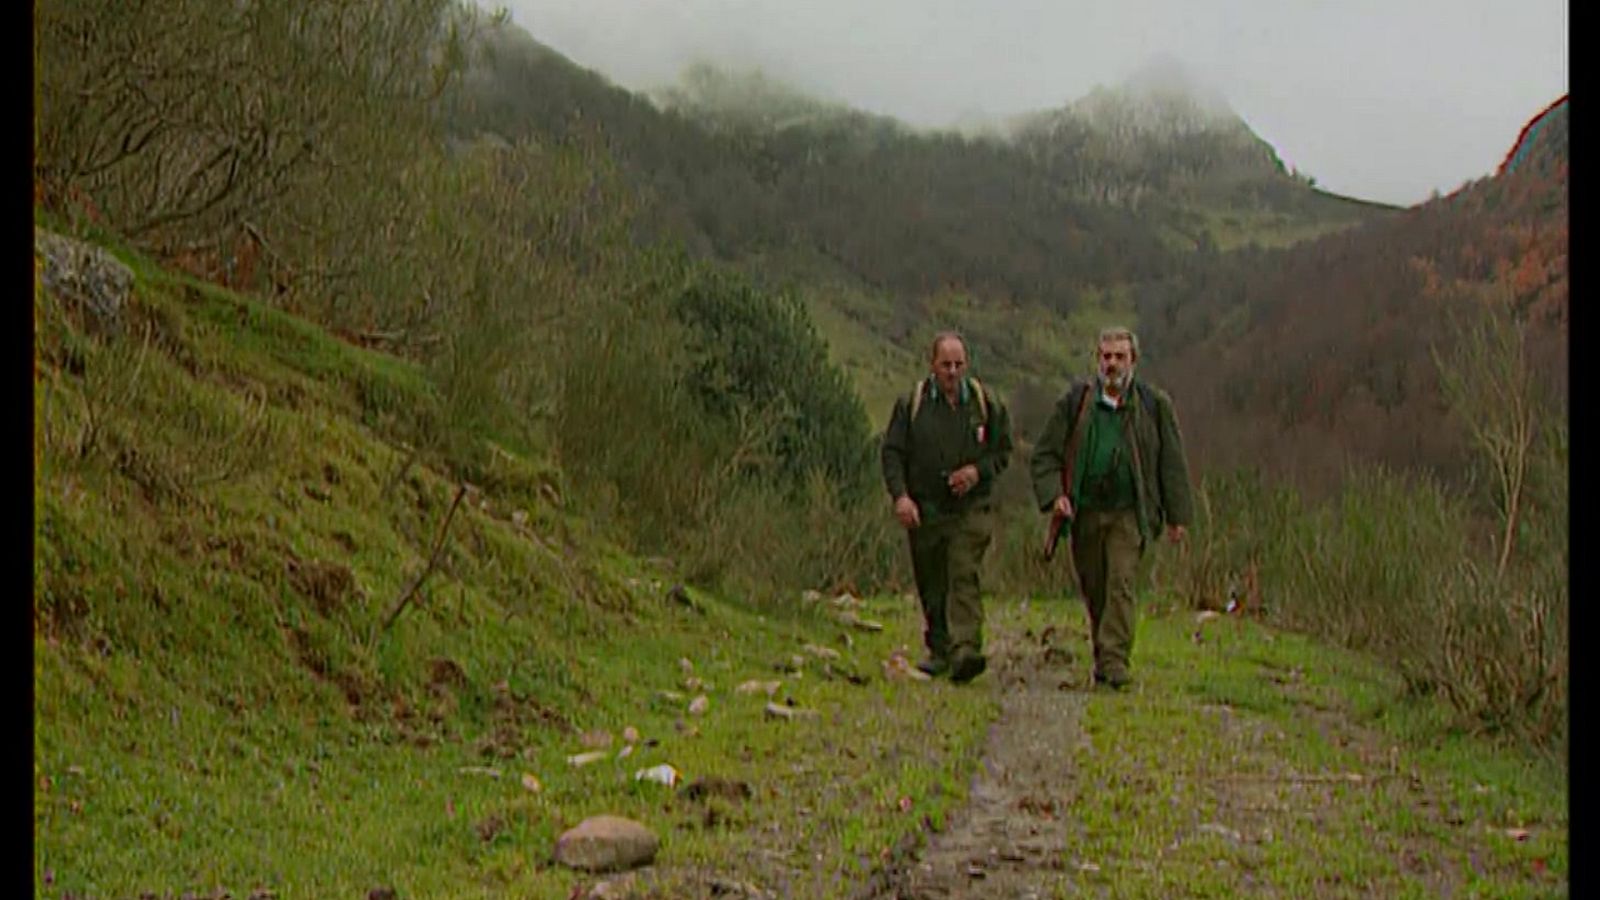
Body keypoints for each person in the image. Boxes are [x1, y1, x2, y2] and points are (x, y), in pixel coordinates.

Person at [1029, 326, 1194, 690]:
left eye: (1120, 357)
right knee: (1096, 587)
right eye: (1107, 357)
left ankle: (1115, 661)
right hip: (1085, 511)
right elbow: (1043, 456)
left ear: (1133, 361)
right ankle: (1104, 658)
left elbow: (1172, 462)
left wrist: (1177, 516)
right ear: (1097, 360)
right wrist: (1054, 495)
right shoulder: (1076, 404)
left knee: (1121, 582)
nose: (1113, 364)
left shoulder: (1153, 406)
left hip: (1129, 512)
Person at [881, 331, 1014, 684]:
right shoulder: (912, 404)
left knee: (962, 570)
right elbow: (892, 452)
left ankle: (966, 648)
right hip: (925, 508)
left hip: (972, 508)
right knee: (932, 579)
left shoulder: (986, 404)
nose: (953, 372)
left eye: (959, 364)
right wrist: (901, 497)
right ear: (932, 365)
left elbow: (1003, 452)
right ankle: (940, 648)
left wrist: (976, 472)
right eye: (946, 365)